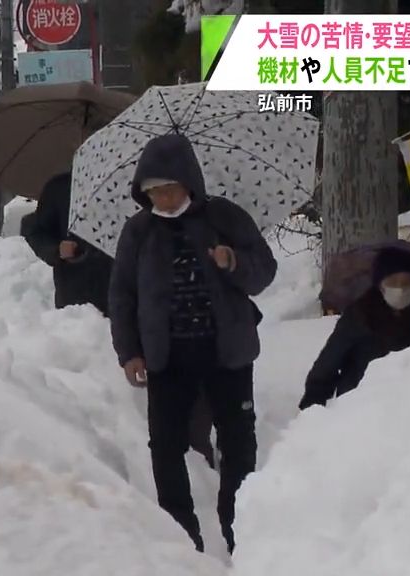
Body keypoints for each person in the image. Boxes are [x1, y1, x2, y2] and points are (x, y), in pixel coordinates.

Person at [109, 133, 278, 554]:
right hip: (167, 357)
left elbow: (264, 272)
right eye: (153, 192)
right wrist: (129, 352)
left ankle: (241, 528)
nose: (163, 199)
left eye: (168, 188)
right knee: (165, 448)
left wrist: (232, 262)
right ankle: (183, 540)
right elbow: (122, 295)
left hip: (228, 353)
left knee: (238, 441)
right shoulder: (139, 231)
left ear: (188, 181)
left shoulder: (223, 218)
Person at [298, 247, 410, 411]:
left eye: (407, 283)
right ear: (380, 285)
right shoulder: (360, 315)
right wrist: (312, 410)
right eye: (392, 282)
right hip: (359, 403)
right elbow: (328, 364)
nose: (401, 289)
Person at [25, 172, 112, 317]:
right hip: (76, 295)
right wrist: (56, 249)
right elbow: (37, 232)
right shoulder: (60, 186)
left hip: (124, 295)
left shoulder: (132, 184)